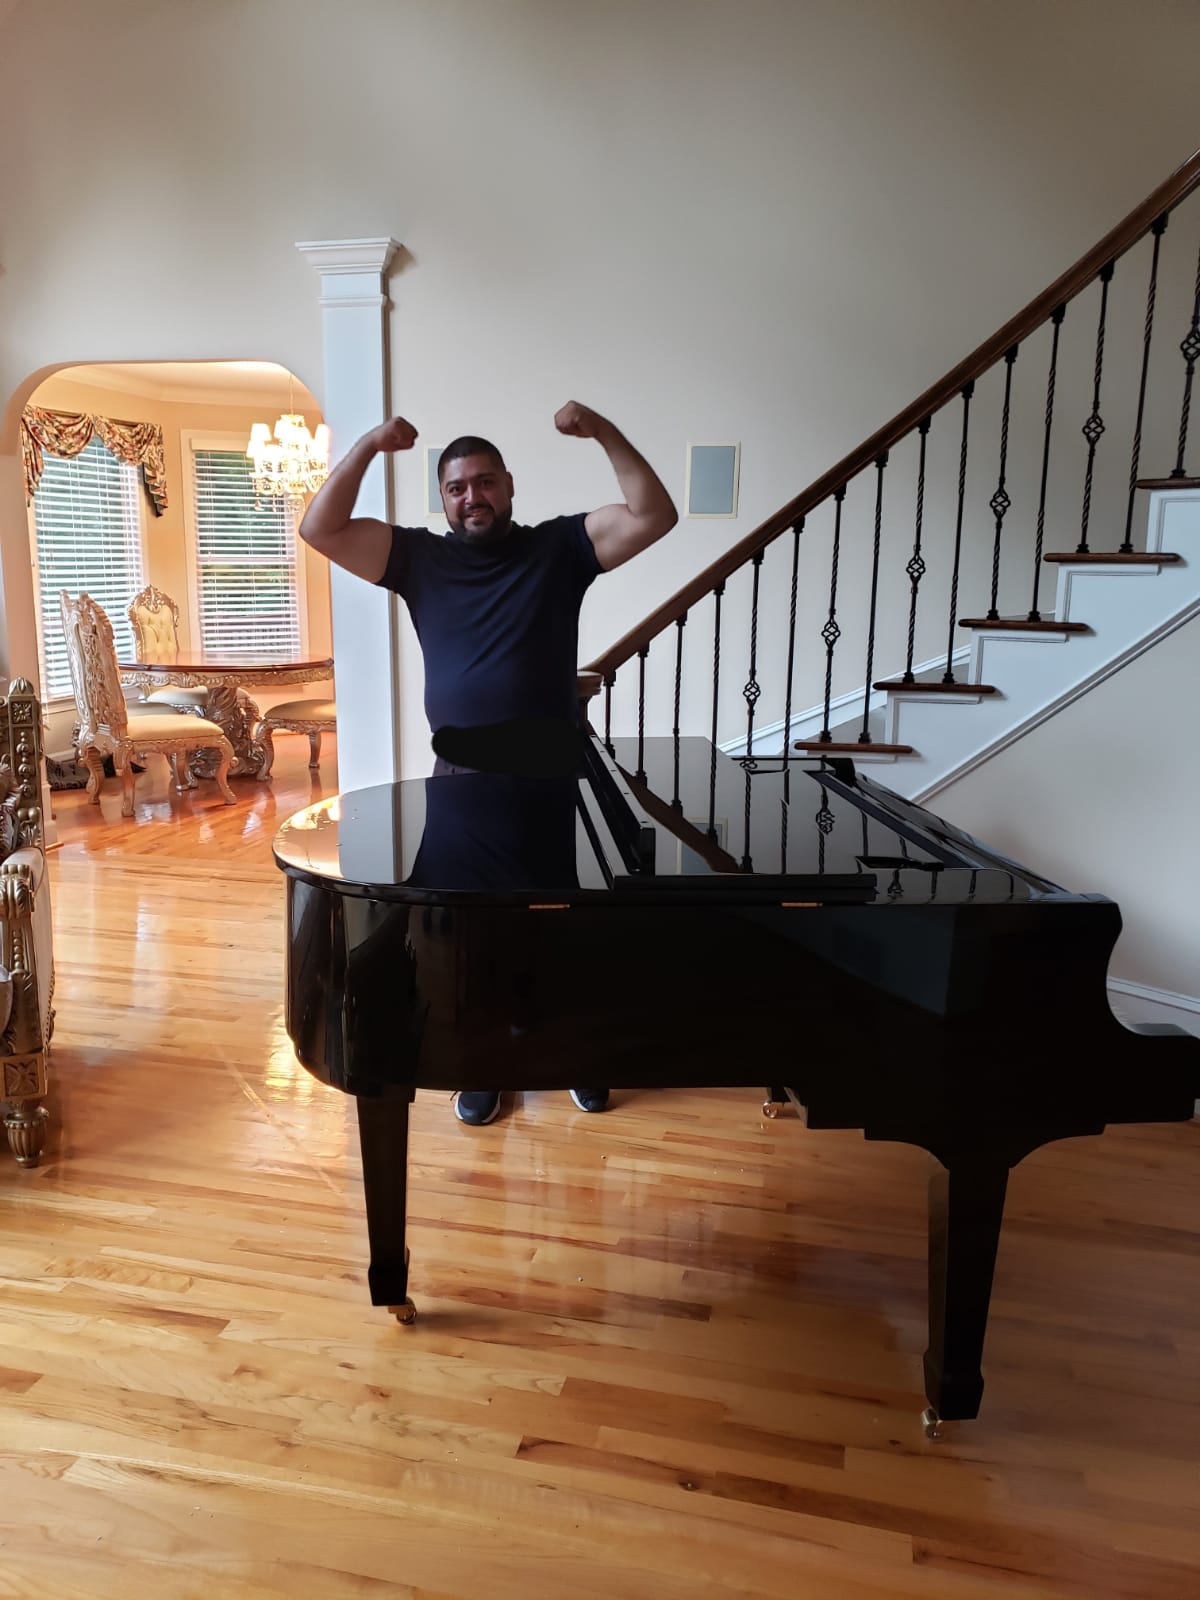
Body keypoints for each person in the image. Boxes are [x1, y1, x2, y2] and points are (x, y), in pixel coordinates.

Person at [298, 399, 678, 1125]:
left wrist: (603, 430)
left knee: (560, 927)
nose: (472, 496)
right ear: (443, 499)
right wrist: (373, 444)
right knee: (471, 936)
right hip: (463, 783)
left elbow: (653, 513)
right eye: (456, 486)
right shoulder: (416, 558)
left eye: (484, 481)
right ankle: (485, 1063)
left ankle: (573, 1053)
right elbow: (320, 527)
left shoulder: (560, 549)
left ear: (509, 485)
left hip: (547, 775)